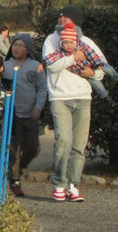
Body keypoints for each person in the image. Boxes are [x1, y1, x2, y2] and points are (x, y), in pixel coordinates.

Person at [41, 16, 106, 203]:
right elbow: (52, 65)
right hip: (60, 97)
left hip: (83, 98)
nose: (62, 21)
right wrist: (73, 58)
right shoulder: (51, 40)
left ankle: (73, 185)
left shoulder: (86, 42)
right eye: (60, 18)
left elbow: (102, 66)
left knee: (78, 145)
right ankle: (59, 183)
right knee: (63, 140)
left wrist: (94, 73)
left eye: (67, 18)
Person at [0, 33, 48, 197]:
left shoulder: (36, 66)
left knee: (33, 148)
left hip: (31, 115)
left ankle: (18, 169)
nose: (16, 48)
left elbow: (42, 89)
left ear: (28, 49)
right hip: (12, 115)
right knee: (14, 150)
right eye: (14, 44)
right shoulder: (5, 66)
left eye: (20, 45)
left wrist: (38, 107)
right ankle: (15, 181)